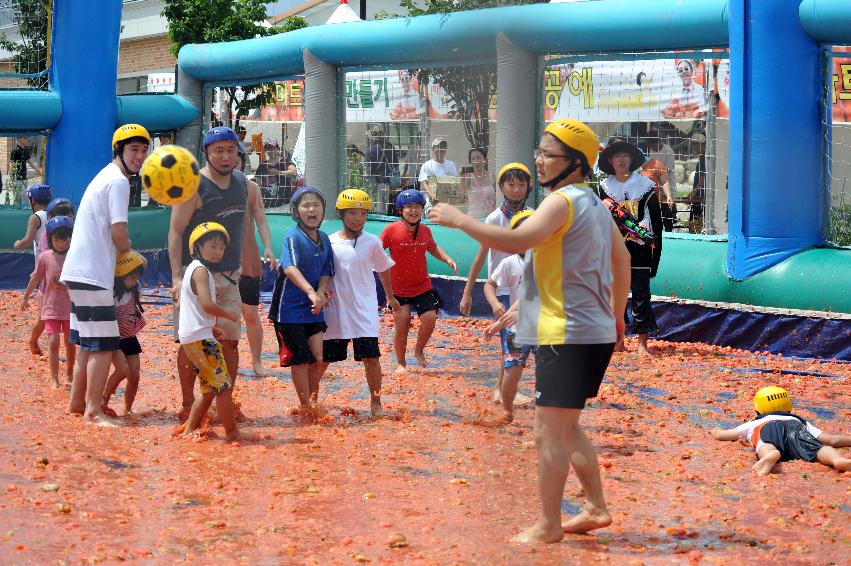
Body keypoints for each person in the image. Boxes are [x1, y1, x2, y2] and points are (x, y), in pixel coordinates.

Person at [429, 118, 631, 543]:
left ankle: (548, 525)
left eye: (547, 154)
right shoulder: (595, 204)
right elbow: (622, 261)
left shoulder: (561, 202)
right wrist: (615, 317)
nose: (538, 161)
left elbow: (518, 242)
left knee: (545, 431)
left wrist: (458, 219)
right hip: (590, 331)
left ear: (575, 163)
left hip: (566, 332)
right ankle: (594, 507)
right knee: (567, 426)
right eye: (539, 152)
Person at [61, 124, 148, 427]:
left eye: (143, 150)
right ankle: (93, 411)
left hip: (78, 271)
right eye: (133, 150)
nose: (139, 156)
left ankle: (76, 403)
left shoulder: (104, 176)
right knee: (104, 345)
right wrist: (129, 251)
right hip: (93, 272)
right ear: (119, 151)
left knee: (87, 343)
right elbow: (119, 231)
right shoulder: (119, 182)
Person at [169, 126, 249, 422]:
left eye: (231, 150)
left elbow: (245, 227)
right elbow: (175, 232)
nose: (225, 156)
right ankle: (188, 401)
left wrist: (250, 265)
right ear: (207, 153)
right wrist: (177, 276)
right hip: (197, 277)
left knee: (230, 342)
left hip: (229, 278)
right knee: (191, 343)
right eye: (219, 150)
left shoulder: (242, 183)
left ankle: (222, 401)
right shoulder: (193, 185)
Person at [318, 189, 397, 416]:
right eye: (352, 213)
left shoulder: (372, 242)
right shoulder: (329, 242)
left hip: (364, 312)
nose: (357, 218)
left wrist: (390, 297)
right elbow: (322, 273)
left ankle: (376, 404)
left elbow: (383, 269)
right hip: (336, 312)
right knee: (323, 360)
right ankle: (310, 401)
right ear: (340, 213)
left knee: (372, 359)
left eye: (362, 213)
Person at [459, 162, 534, 404]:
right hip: (502, 285)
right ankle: (501, 390)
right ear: (501, 187)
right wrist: (467, 291)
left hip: (526, 288)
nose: (516, 190)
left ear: (528, 187)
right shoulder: (494, 218)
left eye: (521, 185)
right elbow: (481, 255)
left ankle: (504, 388)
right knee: (508, 337)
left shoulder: (533, 215)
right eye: (511, 185)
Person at [268, 187, 334, 419]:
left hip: (313, 307)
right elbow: (290, 268)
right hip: (288, 310)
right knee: (301, 359)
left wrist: (321, 292)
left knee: (318, 358)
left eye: (316, 205)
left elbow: (327, 270)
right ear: (296, 212)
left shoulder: (324, 238)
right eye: (306, 205)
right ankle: (305, 406)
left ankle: (313, 401)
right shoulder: (292, 237)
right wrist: (311, 293)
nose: (312, 209)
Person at [176, 222, 241, 440]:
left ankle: (188, 430)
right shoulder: (202, 271)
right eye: (212, 246)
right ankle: (232, 433)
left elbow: (194, 307)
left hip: (196, 335)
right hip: (200, 340)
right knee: (223, 387)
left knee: (208, 390)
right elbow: (206, 304)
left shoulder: (192, 270)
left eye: (221, 248)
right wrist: (228, 315)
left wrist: (209, 327)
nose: (218, 252)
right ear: (197, 247)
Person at [381, 189, 457, 371]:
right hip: (399, 288)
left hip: (422, 285)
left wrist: (447, 258)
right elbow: (377, 250)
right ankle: (400, 362)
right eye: (409, 207)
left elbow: (433, 248)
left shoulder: (425, 230)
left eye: (417, 207)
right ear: (400, 210)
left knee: (430, 318)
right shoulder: (391, 230)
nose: (414, 211)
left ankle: (419, 350)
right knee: (402, 324)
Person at [599, 140, 662, 357]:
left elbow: (657, 223)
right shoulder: (603, 187)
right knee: (615, 295)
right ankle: (619, 340)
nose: (621, 160)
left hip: (640, 248)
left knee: (641, 294)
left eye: (625, 155)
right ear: (610, 160)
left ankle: (643, 343)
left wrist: (656, 259)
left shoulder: (645, 187)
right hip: (613, 249)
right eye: (616, 156)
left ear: (633, 159)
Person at [710, 386, 851, 475]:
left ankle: (770, 455)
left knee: (765, 444)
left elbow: (724, 435)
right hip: (795, 429)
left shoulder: (756, 422)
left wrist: (714, 431)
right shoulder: (798, 420)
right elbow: (833, 440)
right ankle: (837, 460)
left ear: (758, 409)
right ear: (788, 406)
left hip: (768, 428)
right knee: (818, 448)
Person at [482, 209, 536, 422]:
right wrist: (495, 303)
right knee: (512, 372)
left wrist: (498, 324)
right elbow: (490, 284)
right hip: (516, 328)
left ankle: (546, 416)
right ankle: (507, 409)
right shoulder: (510, 263)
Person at [22, 216, 75, 389]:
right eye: (57, 239)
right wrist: (26, 296)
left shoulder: (75, 256)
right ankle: (54, 377)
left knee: (70, 343)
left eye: (65, 238)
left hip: (70, 309)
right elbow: (36, 277)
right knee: (53, 342)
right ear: (50, 239)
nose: (61, 242)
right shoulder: (45, 257)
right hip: (50, 308)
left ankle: (70, 373)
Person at [239, 143, 278, 377]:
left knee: (251, 313)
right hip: (217, 261)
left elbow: (261, 220)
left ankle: (256, 361)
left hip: (247, 258)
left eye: (234, 155)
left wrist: (268, 247)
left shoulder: (251, 188)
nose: (229, 159)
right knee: (218, 315)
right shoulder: (207, 186)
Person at [102, 250, 147, 416]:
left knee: (134, 376)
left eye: (137, 275)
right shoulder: (111, 293)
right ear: (120, 275)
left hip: (129, 338)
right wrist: (119, 319)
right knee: (122, 370)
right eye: (132, 276)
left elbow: (143, 262)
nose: (136, 279)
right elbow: (104, 315)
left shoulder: (135, 288)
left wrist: (129, 254)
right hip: (114, 338)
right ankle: (103, 400)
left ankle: (128, 409)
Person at [14, 183, 53, 355]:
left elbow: (28, 239)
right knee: (49, 307)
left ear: (33, 199)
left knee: (46, 309)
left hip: (44, 264)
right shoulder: (54, 214)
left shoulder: (35, 217)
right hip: (56, 262)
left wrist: (17, 244)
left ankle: (33, 340)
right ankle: (36, 340)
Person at [639, 144, 675, 232]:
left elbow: (665, 181)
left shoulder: (656, 164)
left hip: (652, 201)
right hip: (635, 201)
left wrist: (668, 196)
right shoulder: (630, 165)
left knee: (653, 226)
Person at [363, 125, 399, 208]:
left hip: (374, 181)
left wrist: (367, 181)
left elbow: (366, 168)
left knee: (376, 206)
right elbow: (396, 165)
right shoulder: (390, 147)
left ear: (372, 138)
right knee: (386, 205)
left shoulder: (370, 149)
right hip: (388, 181)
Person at [418, 137, 458, 210]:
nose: (441, 149)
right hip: (432, 203)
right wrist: (432, 195)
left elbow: (454, 181)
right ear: (433, 149)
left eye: (443, 147)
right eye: (438, 147)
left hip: (448, 203)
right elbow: (424, 183)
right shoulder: (427, 165)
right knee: (433, 221)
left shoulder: (451, 164)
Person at [255, 138, 296, 208]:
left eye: (272, 148)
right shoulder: (262, 165)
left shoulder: (285, 160)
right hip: (267, 203)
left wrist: (278, 172)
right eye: (267, 149)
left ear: (277, 148)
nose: (270, 151)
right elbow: (258, 185)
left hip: (284, 203)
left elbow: (293, 171)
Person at [9, 136, 43, 205]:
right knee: (24, 197)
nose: (26, 140)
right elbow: (12, 164)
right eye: (24, 138)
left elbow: (30, 162)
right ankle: (24, 211)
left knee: (18, 198)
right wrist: (12, 178)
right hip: (17, 178)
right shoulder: (15, 151)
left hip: (24, 177)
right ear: (19, 139)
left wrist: (39, 171)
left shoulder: (25, 150)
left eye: (27, 138)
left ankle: (17, 212)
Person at [464, 147, 495, 218]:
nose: (476, 161)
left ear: (485, 160)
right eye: (473, 158)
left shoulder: (492, 176)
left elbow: (498, 199)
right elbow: (462, 194)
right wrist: (462, 178)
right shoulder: (468, 177)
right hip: (472, 219)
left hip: (490, 219)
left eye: (479, 158)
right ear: (470, 161)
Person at [687, 132, 707, 233]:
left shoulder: (705, 157)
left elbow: (703, 178)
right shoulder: (702, 156)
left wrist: (694, 192)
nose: (694, 147)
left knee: (696, 220)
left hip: (701, 195)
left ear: (701, 144)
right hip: (698, 195)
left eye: (696, 144)